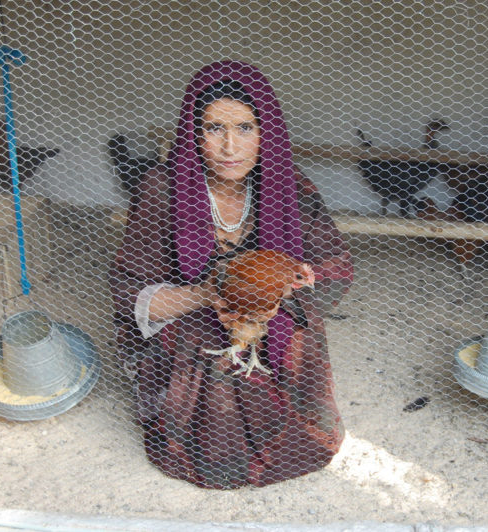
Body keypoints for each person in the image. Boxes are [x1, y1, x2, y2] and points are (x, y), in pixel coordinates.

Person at [109, 60, 353, 489]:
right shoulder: (161, 189)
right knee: (209, 350)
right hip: (193, 308)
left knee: (296, 333)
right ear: (191, 133)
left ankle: (287, 433)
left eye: (244, 128)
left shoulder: (289, 185)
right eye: (212, 129)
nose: (228, 146)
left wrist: (282, 290)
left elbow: (336, 267)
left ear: (267, 132)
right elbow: (129, 291)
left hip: (271, 307)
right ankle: (218, 454)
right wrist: (207, 295)